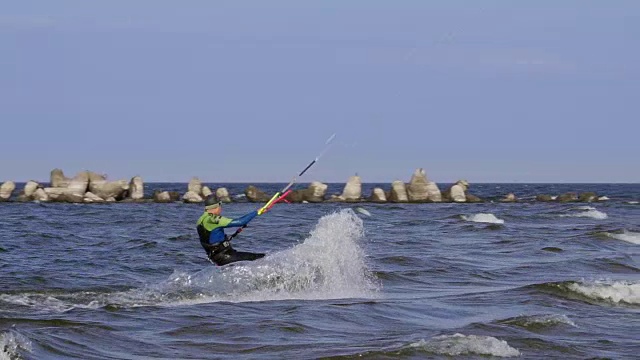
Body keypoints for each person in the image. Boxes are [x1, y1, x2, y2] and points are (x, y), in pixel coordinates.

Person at [196, 196, 266, 266]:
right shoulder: (212, 219)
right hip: (225, 256)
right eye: (220, 207)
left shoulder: (200, 220)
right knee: (260, 258)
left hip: (216, 257)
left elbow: (213, 237)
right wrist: (256, 212)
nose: (221, 209)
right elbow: (240, 222)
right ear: (217, 206)